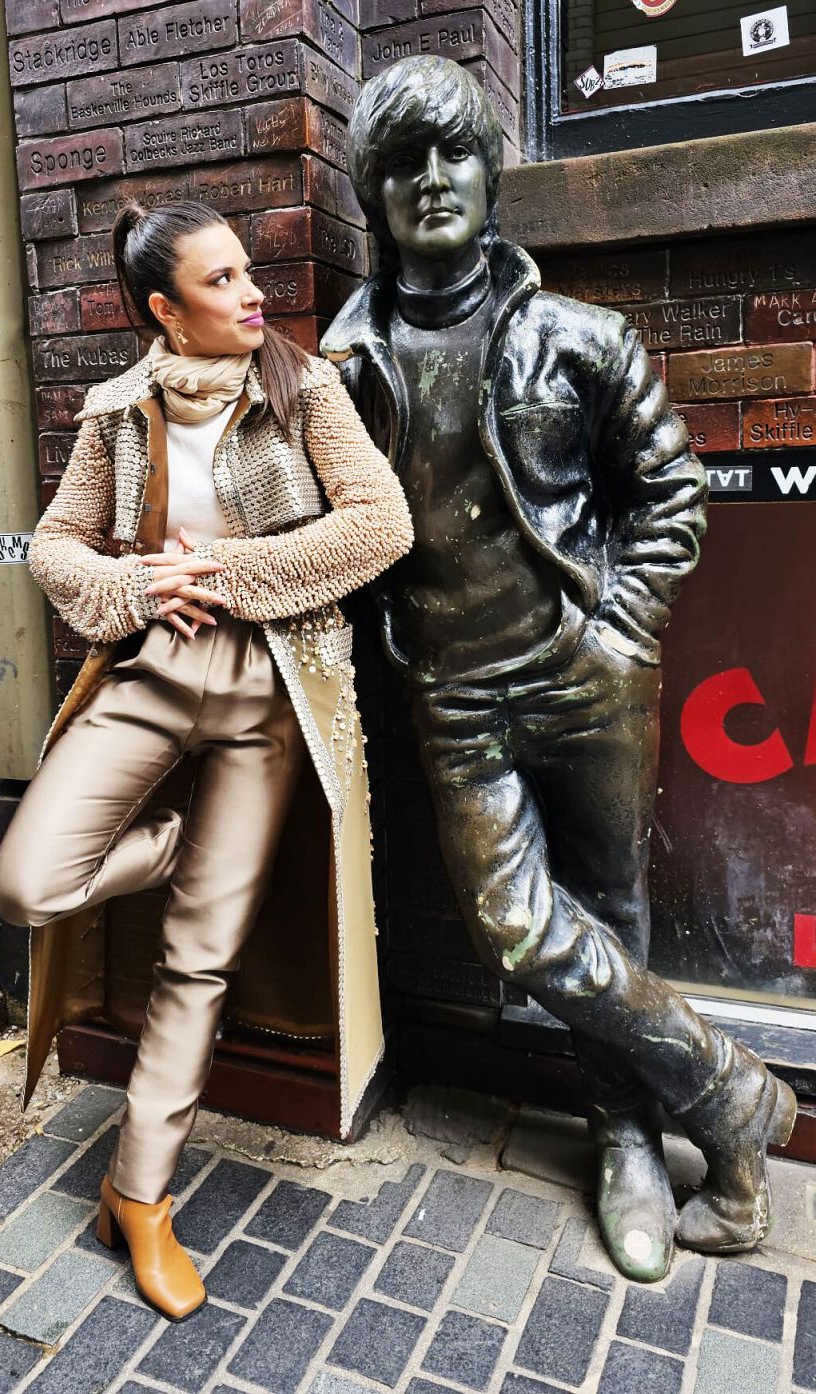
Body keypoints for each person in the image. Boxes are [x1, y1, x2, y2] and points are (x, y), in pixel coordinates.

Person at [322, 55, 796, 1283]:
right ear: (372, 194)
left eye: (456, 154)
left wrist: (621, 630)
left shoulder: (581, 336)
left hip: (586, 670)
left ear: (490, 173)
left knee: (610, 908)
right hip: (452, 689)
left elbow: (671, 492)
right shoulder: (347, 359)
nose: (433, 180)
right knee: (519, 925)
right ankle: (736, 1095)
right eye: (402, 164)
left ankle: (632, 1133)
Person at [0, 199, 413, 1320]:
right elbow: (55, 547)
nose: (252, 294)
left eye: (247, 272)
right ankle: (184, 852)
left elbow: (382, 523)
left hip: (273, 700)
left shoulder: (302, 385)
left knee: (199, 965)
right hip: (150, 683)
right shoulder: (116, 411)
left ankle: (140, 1195)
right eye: (221, 283)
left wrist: (223, 567)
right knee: (28, 880)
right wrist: (139, 587)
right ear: (165, 311)